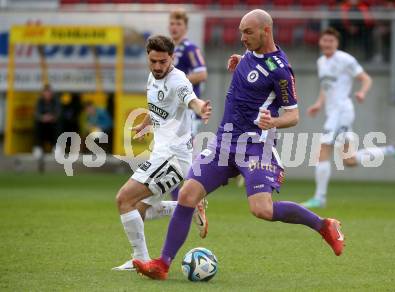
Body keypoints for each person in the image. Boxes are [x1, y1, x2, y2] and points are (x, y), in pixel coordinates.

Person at [133, 10, 345, 280]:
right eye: (241, 31)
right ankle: (161, 264)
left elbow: (293, 115)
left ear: (265, 32)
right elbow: (252, 65)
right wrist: (241, 59)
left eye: (247, 32)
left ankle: (325, 226)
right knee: (186, 195)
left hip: (255, 146)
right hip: (224, 142)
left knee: (262, 209)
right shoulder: (249, 54)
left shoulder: (280, 70)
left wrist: (273, 122)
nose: (241, 37)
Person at [113, 35, 212, 271]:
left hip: (173, 159)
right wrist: (146, 123)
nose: (158, 67)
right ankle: (190, 205)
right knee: (139, 208)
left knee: (124, 199)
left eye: (163, 62)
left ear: (172, 58)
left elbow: (191, 100)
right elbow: (157, 108)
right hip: (163, 154)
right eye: (153, 61)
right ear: (148, 57)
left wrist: (201, 108)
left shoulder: (179, 80)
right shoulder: (153, 77)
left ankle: (142, 259)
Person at [301, 28, 395, 209]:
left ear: (337, 43)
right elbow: (326, 87)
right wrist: (318, 104)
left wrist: (362, 92)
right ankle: (392, 150)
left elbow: (366, 78)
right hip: (332, 112)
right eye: (325, 41)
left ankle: (319, 198)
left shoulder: (345, 59)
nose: (327, 44)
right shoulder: (321, 61)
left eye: (331, 41)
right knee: (349, 160)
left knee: (322, 150)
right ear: (320, 42)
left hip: (342, 111)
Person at [168, 8, 208, 200]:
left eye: (179, 24)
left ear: (185, 27)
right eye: (172, 23)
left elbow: (201, 73)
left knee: (179, 155)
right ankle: (183, 199)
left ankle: (188, 199)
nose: (174, 27)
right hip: (174, 111)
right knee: (173, 155)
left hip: (189, 111)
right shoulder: (170, 49)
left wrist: (178, 83)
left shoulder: (190, 49)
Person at [33, 84, 61, 158]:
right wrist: (43, 117)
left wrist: (51, 117)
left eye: (49, 92)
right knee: (37, 124)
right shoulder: (39, 101)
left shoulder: (56, 101)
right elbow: (36, 113)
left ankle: (56, 147)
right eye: (45, 92)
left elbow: (58, 113)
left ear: (51, 93)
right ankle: (38, 147)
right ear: (43, 93)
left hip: (53, 124)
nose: (47, 94)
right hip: (43, 124)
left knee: (59, 124)